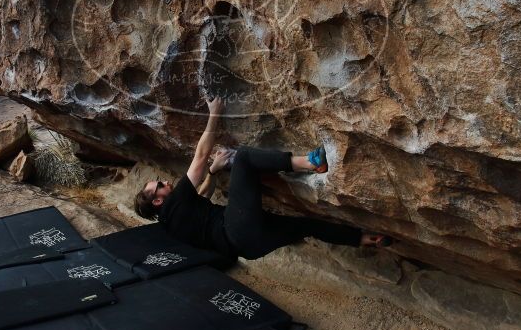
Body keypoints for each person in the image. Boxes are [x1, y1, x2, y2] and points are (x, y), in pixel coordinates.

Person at [134, 96, 391, 259]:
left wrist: (213, 171)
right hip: (237, 229)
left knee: (307, 226)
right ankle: (311, 163)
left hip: (249, 249)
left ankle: (363, 238)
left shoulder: (170, 225)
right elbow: (200, 156)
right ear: (157, 200)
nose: (166, 182)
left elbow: (201, 198)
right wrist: (214, 114)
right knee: (244, 158)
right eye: (160, 185)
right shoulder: (176, 199)